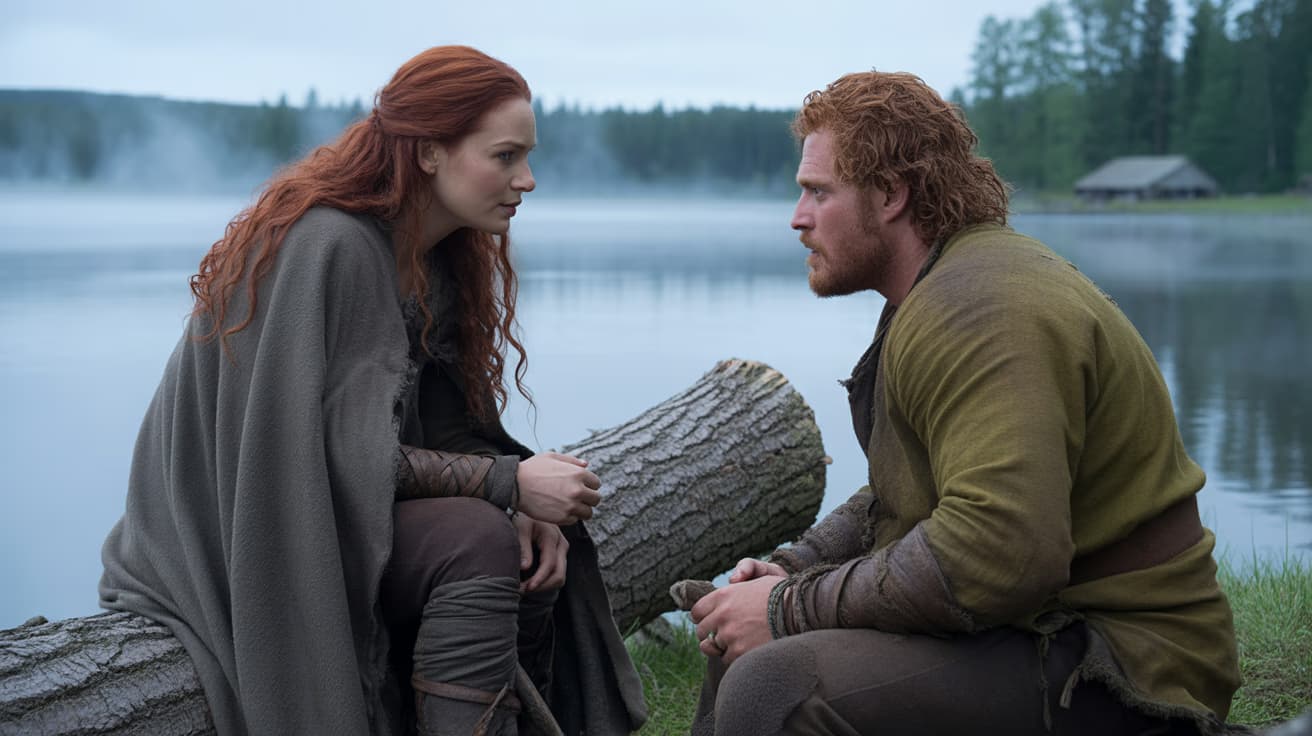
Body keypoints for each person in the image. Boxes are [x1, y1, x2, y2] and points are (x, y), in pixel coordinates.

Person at [99, 46, 646, 736]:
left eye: (527, 157)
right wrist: (509, 483)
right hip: (237, 536)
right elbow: (334, 458)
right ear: (429, 153)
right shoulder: (332, 244)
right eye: (505, 156)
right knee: (477, 539)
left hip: (338, 511)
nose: (527, 180)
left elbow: (440, 430)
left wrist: (523, 502)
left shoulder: (437, 256)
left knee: (522, 545)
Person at [686, 70, 1242, 735]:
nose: (798, 217)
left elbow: (999, 551)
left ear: (890, 194)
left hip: (1128, 661)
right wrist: (791, 568)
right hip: (1038, 625)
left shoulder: (981, 311)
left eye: (819, 192)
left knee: (774, 689)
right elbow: (910, 490)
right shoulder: (939, 288)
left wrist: (788, 608)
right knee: (741, 644)